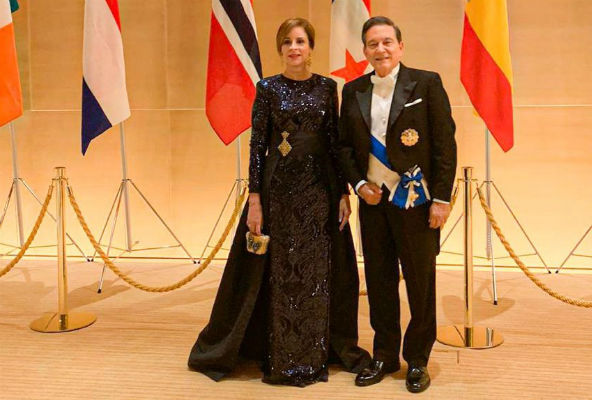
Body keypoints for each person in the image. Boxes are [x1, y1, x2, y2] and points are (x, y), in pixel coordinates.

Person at [188, 17, 370, 387]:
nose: (294, 48)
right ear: (280, 49)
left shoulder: (326, 89)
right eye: (286, 41)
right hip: (277, 192)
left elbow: (334, 145)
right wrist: (254, 199)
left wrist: (342, 194)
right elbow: (257, 146)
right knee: (280, 272)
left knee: (316, 273)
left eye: (300, 40)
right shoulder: (267, 88)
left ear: (311, 47)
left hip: (318, 191)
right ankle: (282, 352)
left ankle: (315, 350)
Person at [337, 16, 457, 394]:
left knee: (421, 283)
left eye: (388, 42)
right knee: (380, 281)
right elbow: (343, 146)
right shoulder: (352, 90)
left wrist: (440, 198)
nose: (381, 49)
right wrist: (357, 184)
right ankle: (385, 354)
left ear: (400, 47)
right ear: (365, 51)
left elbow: (444, 144)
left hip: (416, 202)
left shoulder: (426, 83)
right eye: (373, 44)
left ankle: (418, 359)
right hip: (374, 202)